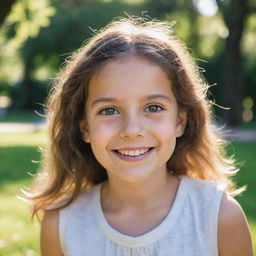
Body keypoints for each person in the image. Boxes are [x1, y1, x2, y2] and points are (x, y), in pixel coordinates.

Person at [26, 17, 253, 255]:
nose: (132, 129)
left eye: (153, 107)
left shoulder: (220, 217)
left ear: (179, 121)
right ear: (85, 128)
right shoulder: (61, 224)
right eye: (109, 111)